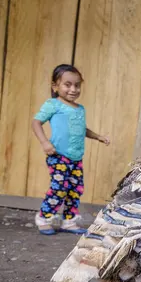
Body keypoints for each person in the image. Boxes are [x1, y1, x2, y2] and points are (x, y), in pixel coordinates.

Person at [32, 64, 110, 235]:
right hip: (58, 155)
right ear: (55, 86)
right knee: (59, 187)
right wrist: (45, 142)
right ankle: (44, 217)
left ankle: (69, 221)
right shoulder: (53, 104)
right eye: (67, 84)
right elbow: (36, 122)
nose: (73, 89)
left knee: (75, 189)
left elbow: (82, 129)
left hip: (76, 158)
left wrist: (98, 136)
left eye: (77, 85)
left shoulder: (80, 109)